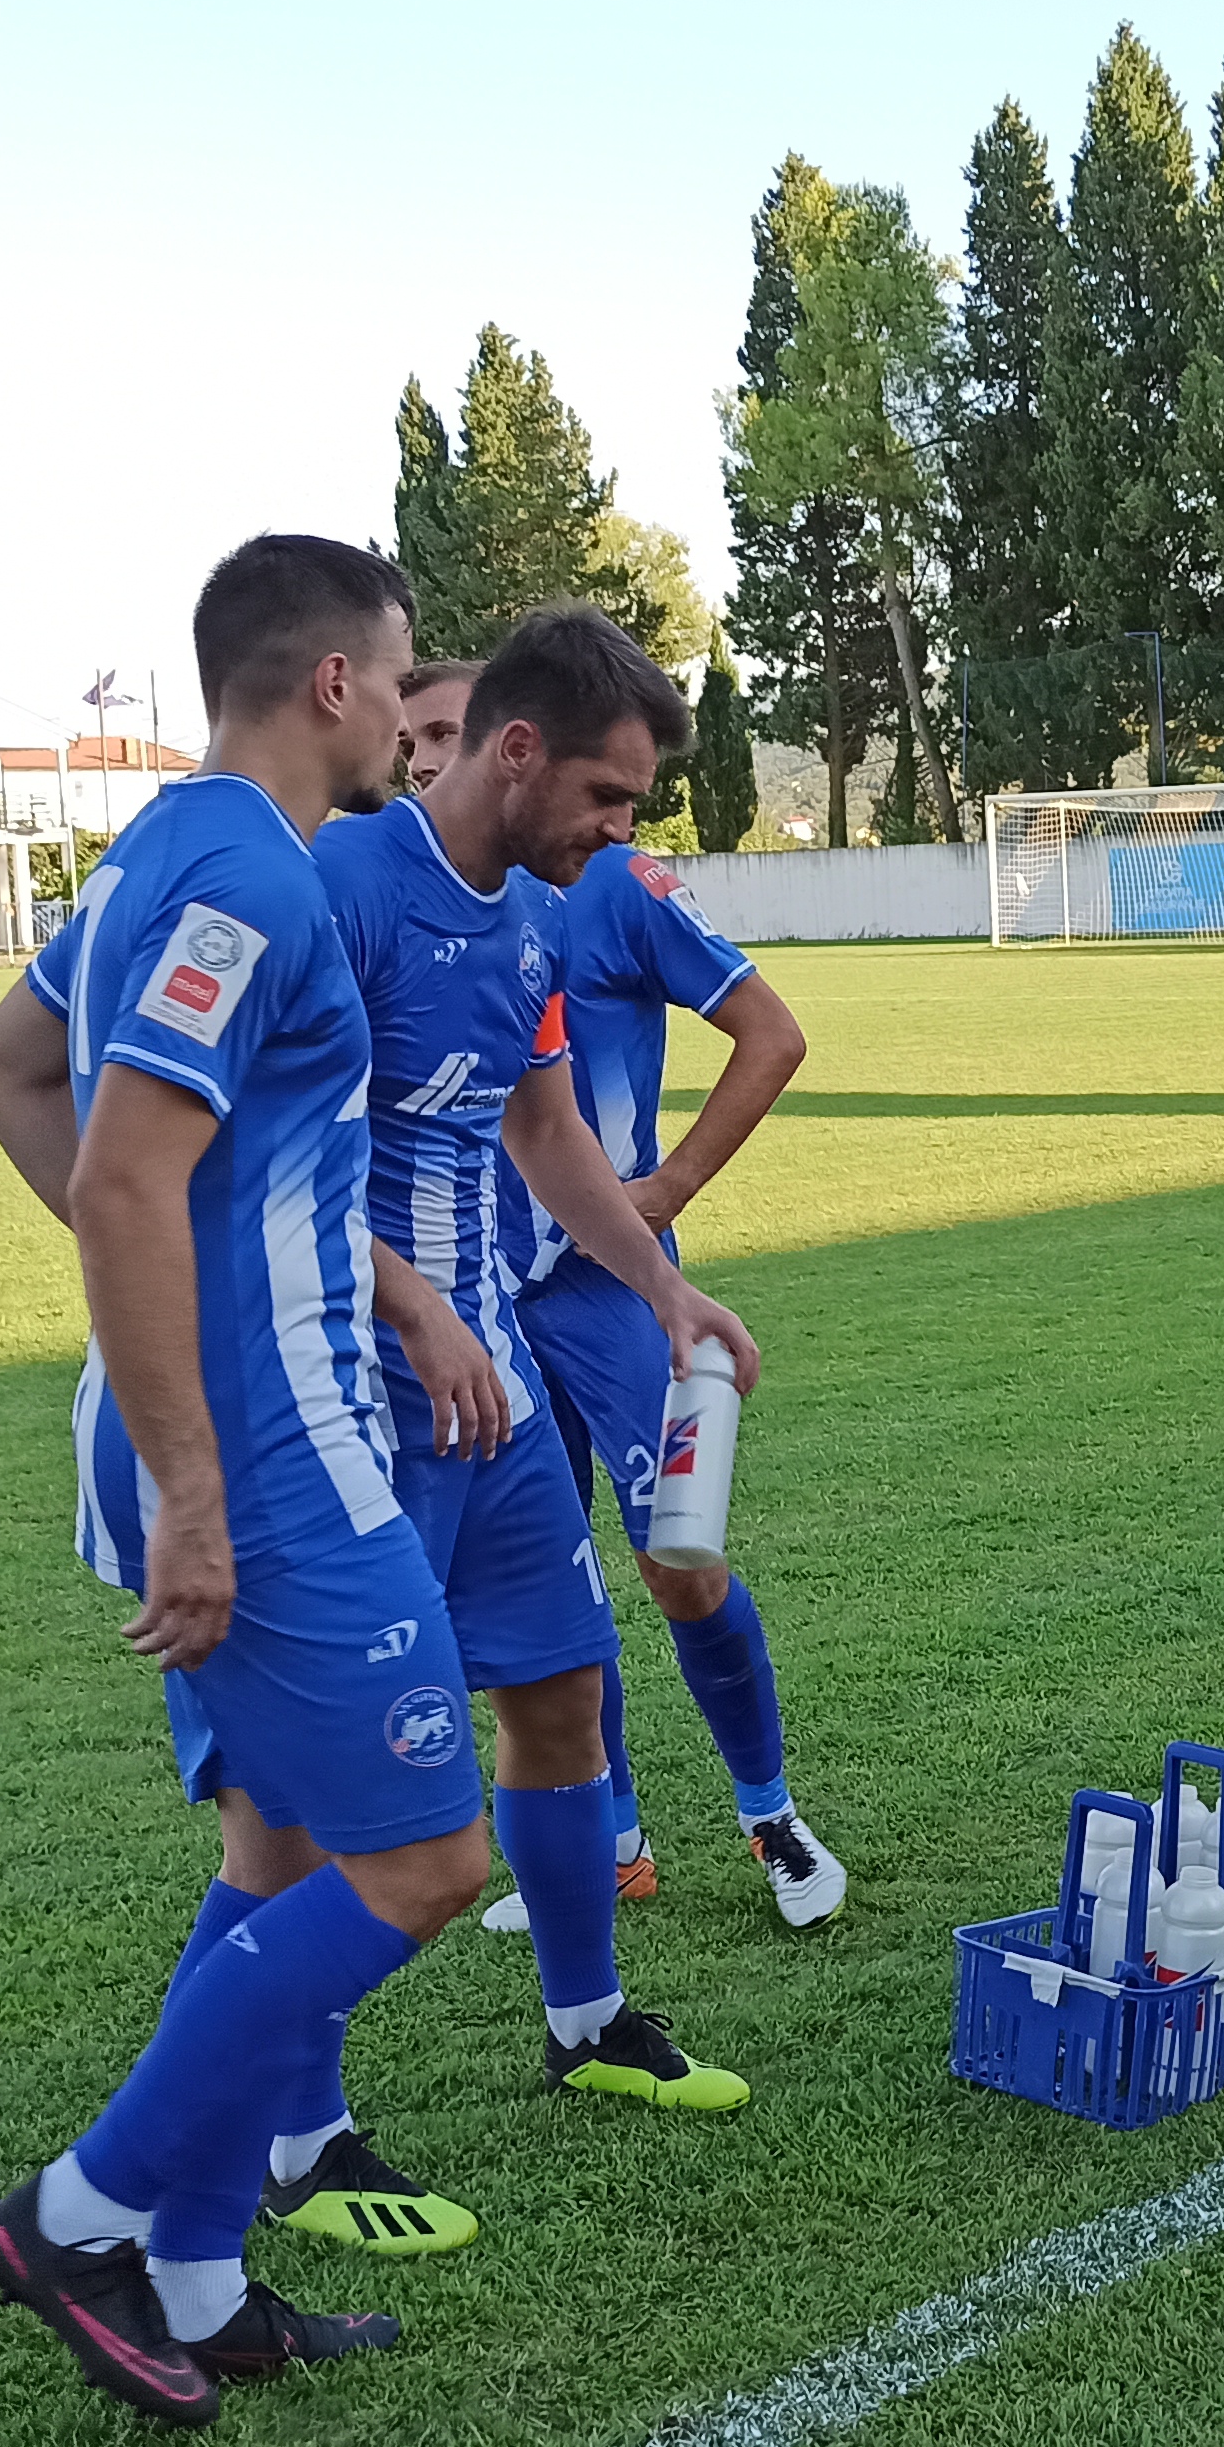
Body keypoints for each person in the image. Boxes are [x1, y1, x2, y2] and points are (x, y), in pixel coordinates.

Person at [0, 534, 510, 2423]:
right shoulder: (243, 873)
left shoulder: (148, 863)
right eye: (404, 681)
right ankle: (84, 2209)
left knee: (273, 1849)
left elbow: (6, 1069)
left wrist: (179, 1275)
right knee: (433, 1854)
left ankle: (192, 2269)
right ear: (337, 684)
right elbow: (116, 1166)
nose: (414, 732)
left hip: (230, 1414)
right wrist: (193, 1480)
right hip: (263, 1452)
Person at [325, 608, 769, 2108]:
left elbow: (544, 1129)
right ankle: (293, 2116)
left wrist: (664, 1290)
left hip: (494, 1379)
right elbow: (260, 1161)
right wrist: (412, 1306)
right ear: (518, 752)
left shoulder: (528, 918)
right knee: (336, 1773)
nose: (621, 830)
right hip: (363, 1391)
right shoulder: (343, 892)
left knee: (565, 1695)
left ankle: (589, 2026)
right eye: (609, 797)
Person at [415, 655, 844, 1937]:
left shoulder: (611, 884)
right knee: (544, 1584)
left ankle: (768, 1813)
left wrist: (662, 1194)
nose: (427, 756)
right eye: (413, 735)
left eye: (448, 730)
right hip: (469, 1312)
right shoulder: (402, 891)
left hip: (603, 1295)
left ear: (512, 743)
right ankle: (607, 1841)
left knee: (680, 1559)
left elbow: (772, 1032)